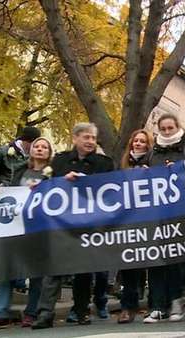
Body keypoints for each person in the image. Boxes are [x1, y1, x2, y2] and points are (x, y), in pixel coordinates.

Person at [32, 123, 116, 329]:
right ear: (75, 138)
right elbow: (46, 183)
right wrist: (61, 181)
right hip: (61, 224)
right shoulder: (59, 161)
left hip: (88, 225)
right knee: (54, 269)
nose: (90, 142)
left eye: (93, 138)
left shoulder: (104, 163)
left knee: (83, 271)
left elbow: (112, 190)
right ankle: (45, 314)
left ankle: (81, 311)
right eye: (86, 137)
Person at [138, 114, 185, 323]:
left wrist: (179, 172)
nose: (168, 132)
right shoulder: (153, 153)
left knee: (177, 262)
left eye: (171, 128)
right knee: (156, 261)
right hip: (157, 214)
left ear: (177, 127)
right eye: (163, 129)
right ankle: (157, 306)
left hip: (180, 214)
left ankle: (176, 302)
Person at [0, 137, 53, 329]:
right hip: (16, 227)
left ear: (49, 153)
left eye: (45, 147)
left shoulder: (52, 173)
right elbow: (10, 189)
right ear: (31, 149)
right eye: (37, 146)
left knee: (36, 273)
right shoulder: (20, 169)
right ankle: (0, 311)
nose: (40, 149)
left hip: (39, 229)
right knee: (6, 267)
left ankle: (31, 312)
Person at [117, 129, 153, 324]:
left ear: (148, 145)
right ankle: (127, 307)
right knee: (129, 265)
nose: (138, 144)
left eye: (142, 141)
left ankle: (154, 305)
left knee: (150, 265)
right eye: (135, 141)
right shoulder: (122, 165)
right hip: (127, 221)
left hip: (148, 220)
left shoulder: (152, 163)